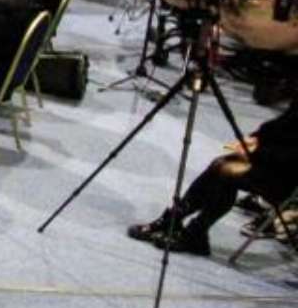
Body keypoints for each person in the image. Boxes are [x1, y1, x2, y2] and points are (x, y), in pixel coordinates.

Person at [127, 103, 298, 256]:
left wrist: (258, 153)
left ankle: (196, 233)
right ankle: (175, 219)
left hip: (288, 175)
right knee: (219, 164)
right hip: (274, 160)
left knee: (227, 172)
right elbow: (285, 124)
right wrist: (256, 137)